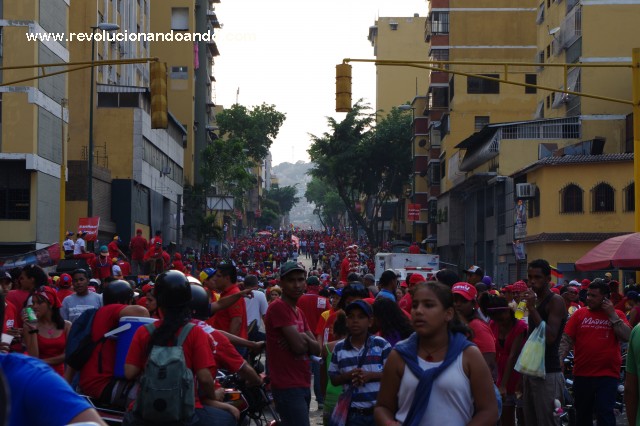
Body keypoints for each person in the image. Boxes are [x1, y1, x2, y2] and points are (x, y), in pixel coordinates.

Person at [374, 282, 498, 425]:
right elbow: (383, 407)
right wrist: (389, 423)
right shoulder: (399, 355)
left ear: (448, 314)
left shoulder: (468, 355)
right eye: (415, 305)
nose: (418, 311)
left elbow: (489, 411)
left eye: (428, 305)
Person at [124, 270, 235, 426]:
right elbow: (204, 378)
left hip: (145, 411)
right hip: (185, 412)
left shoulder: (144, 331)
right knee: (230, 417)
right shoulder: (196, 333)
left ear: (159, 301)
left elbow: (129, 372)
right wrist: (214, 396)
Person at [65, 280, 149, 408]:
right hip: (101, 384)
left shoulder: (103, 317)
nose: (133, 303)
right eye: (131, 300)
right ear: (122, 302)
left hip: (94, 382)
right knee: (153, 396)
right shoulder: (108, 311)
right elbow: (141, 312)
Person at [560, 278, 630, 426]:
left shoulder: (617, 314)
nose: (588, 298)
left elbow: (627, 336)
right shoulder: (579, 314)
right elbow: (566, 340)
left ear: (605, 298)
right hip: (582, 374)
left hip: (608, 375)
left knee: (605, 413)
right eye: (588, 295)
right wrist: (560, 359)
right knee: (583, 415)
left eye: (593, 296)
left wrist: (612, 315)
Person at [265, 261, 321, 426]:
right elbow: (299, 348)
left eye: (300, 279)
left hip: (302, 382)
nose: (297, 285)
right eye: (291, 280)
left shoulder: (299, 312)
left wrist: (300, 336)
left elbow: (316, 349)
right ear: (281, 283)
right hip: (287, 385)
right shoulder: (278, 307)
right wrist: (302, 341)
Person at [1, 351, 108, 426]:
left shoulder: (30, 377)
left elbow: (70, 353)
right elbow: (34, 354)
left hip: (53, 376)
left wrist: (66, 380)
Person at [329, 300, 391, 426]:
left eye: (361, 317)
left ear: (370, 322)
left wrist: (371, 375)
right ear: (347, 321)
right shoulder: (339, 348)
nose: (355, 321)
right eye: (351, 317)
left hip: (377, 413)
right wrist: (348, 376)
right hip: (353, 414)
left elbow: (393, 375)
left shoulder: (381, 345)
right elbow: (334, 379)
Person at [521, 259, 567, 426]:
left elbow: (550, 337)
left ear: (548, 279)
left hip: (548, 372)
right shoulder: (534, 300)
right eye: (530, 277)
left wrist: (532, 309)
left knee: (548, 421)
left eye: (537, 277)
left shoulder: (555, 301)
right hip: (531, 370)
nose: (532, 281)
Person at [487, 295, 527, 426]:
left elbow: (513, 355)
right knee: (506, 417)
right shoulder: (493, 324)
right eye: (494, 317)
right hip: (500, 372)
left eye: (501, 317)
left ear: (507, 311)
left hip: (519, 374)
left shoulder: (520, 326)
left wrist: (503, 385)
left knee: (522, 416)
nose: (499, 321)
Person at [21, 286, 70, 376]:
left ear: (50, 304)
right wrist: (34, 330)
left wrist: (42, 361)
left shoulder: (66, 326)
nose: (35, 306)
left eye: (39, 303)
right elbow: (34, 357)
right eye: (33, 303)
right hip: (38, 375)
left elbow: (69, 354)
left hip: (59, 375)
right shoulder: (28, 327)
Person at [452, 282, 497, 379]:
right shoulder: (452, 324)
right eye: (454, 300)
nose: (457, 304)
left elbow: (488, 361)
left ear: (473, 303)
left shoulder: (477, 326)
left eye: (463, 301)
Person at [320, 312, 348, 426]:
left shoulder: (327, 348)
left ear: (334, 332)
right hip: (348, 400)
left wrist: (324, 396)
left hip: (330, 398)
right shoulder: (356, 348)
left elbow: (323, 378)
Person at [209, 263, 248, 339]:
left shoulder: (234, 294)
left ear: (227, 278)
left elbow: (237, 322)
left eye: (218, 276)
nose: (215, 279)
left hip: (229, 344)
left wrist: (227, 343)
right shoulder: (228, 293)